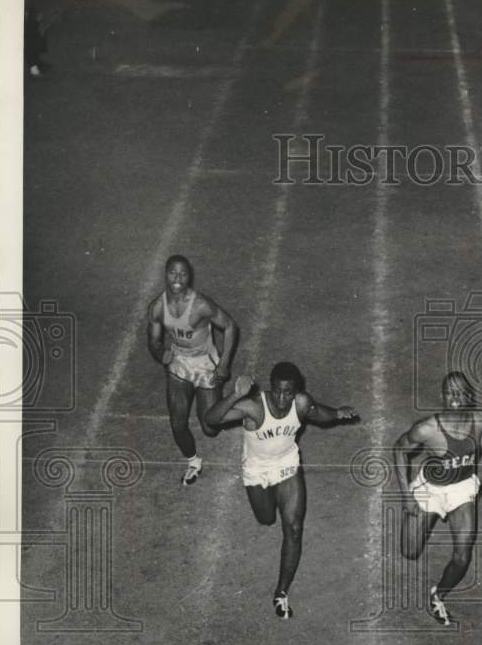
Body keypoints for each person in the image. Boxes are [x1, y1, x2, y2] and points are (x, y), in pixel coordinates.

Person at [205, 363, 358, 619]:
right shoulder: (254, 407)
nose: (282, 398)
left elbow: (318, 413)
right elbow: (210, 420)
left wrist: (338, 412)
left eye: (288, 392)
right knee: (266, 519)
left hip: (287, 464)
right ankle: (270, 501)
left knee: (294, 529)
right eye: (277, 391)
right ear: (270, 388)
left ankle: (281, 592)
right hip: (257, 469)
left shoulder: (300, 403)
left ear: (295, 390)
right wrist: (234, 395)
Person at [392, 372, 482, 626]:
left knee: (462, 555)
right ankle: (422, 517)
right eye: (450, 392)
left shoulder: (480, 422)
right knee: (409, 552)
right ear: (443, 397)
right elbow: (399, 449)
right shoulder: (428, 428)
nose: (455, 396)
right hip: (430, 489)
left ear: (469, 396)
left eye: (460, 391)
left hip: (461, 488)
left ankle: (438, 595)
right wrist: (407, 497)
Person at [147, 254, 239, 485]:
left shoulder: (200, 305)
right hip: (180, 364)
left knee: (210, 427)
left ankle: (241, 405)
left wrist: (225, 363)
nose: (177, 278)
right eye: (173, 273)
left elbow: (229, 326)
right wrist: (160, 353)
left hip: (206, 365)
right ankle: (193, 462)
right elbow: (154, 340)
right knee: (177, 422)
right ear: (166, 274)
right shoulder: (157, 307)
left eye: (183, 273)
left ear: (189, 276)